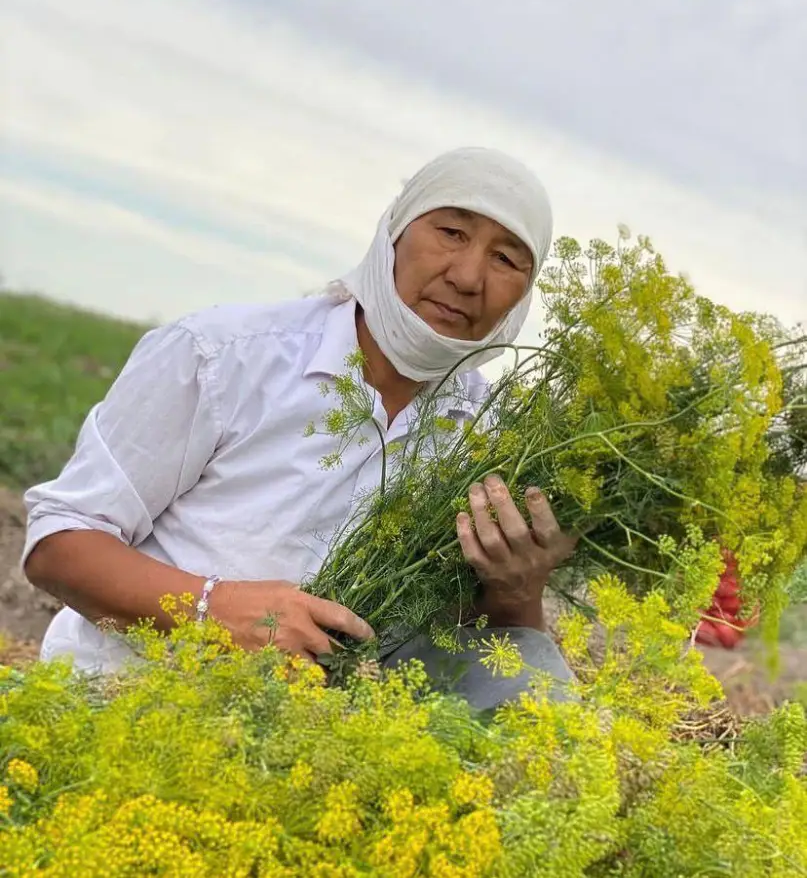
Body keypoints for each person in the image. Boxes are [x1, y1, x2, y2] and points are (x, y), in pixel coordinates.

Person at [22, 147, 578, 710]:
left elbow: (487, 658)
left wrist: (518, 589)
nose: (466, 276)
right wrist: (215, 611)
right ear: (393, 233)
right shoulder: (221, 355)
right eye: (452, 232)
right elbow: (58, 544)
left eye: (506, 260)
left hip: (316, 754)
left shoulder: (495, 440)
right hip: (119, 711)